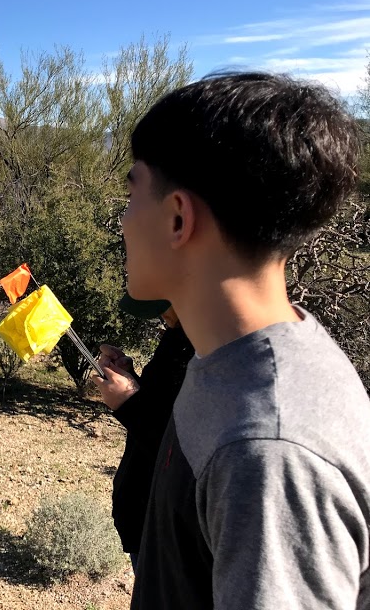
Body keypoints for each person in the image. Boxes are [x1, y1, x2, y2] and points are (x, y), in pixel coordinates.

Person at [119, 72, 370, 609]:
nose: (122, 220)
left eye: (131, 190)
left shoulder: (266, 452)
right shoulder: (239, 358)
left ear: (178, 218)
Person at [93, 296, 194, 574]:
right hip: (145, 519)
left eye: (165, 307)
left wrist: (129, 401)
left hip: (167, 532)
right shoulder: (178, 335)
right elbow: (163, 405)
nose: (162, 316)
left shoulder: (205, 350)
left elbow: (181, 449)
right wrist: (131, 379)